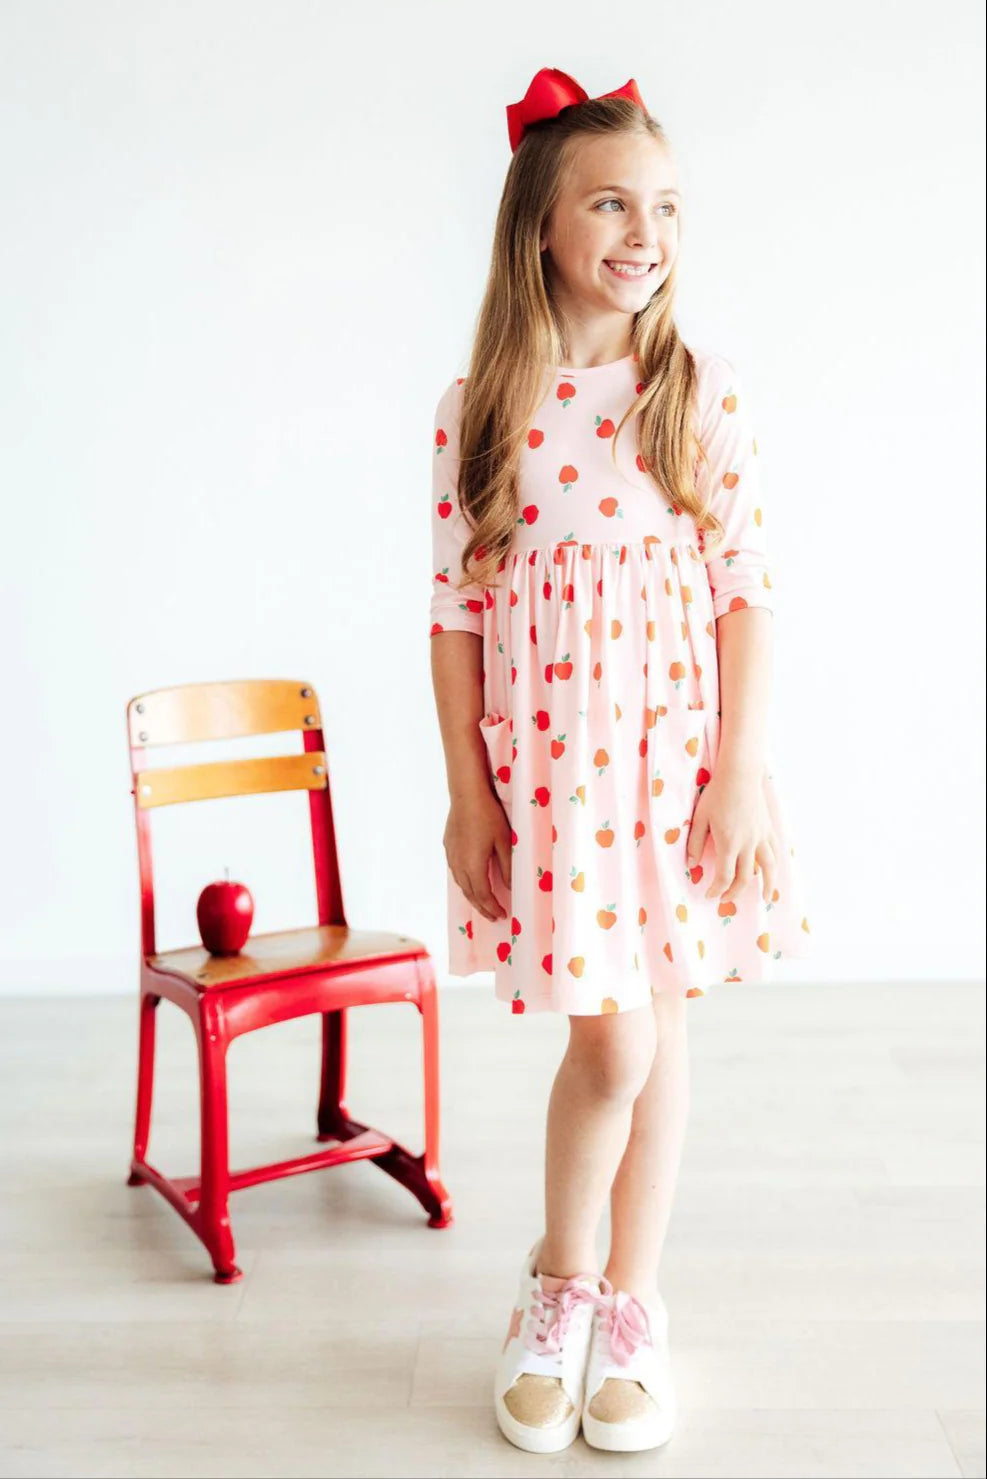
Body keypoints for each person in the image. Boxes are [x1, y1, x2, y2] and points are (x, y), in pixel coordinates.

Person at [428, 66, 812, 1456]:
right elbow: (457, 613)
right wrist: (468, 792)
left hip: (674, 773)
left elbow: (746, 591)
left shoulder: (692, 393)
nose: (645, 233)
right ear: (540, 222)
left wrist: (740, 774)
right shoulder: (484, 407)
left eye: (666, 207)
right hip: (553, 783)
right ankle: (559, 1280)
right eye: (610, 204)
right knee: (618, 1040)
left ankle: (631, 1302)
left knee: (663, 1028)